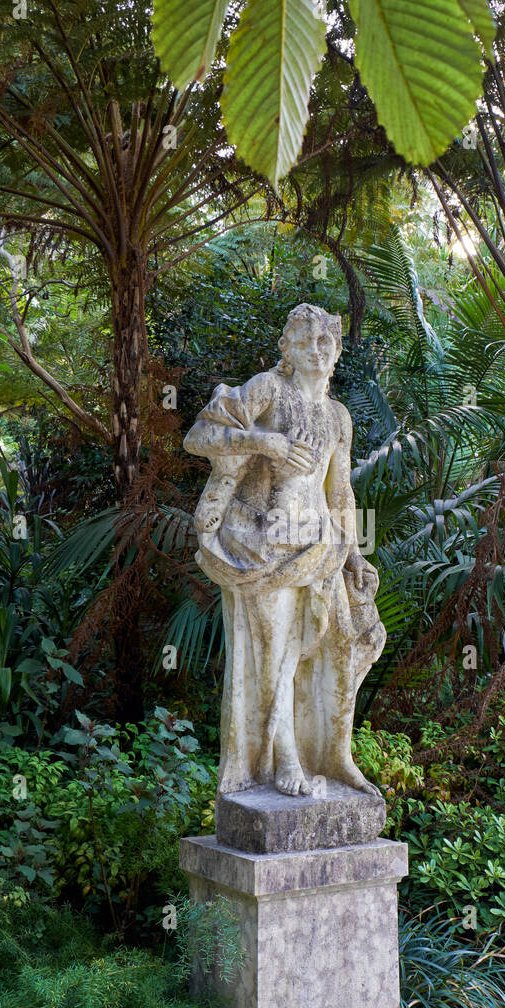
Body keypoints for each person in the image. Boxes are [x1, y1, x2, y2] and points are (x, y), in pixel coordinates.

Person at [184, 303, 385, 797]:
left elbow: (340, 492)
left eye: (326, 342)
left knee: (341, 644)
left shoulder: (339, 417)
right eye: (305, 341)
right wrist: (265, 443)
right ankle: (285, 760)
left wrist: (356, 554)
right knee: (276, 654)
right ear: (287, 349)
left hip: (321, 544)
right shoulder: (270, 390)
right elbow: (199, 437)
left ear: (337, 352)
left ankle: (335, 757)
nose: (317, 350)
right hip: (262, 544)